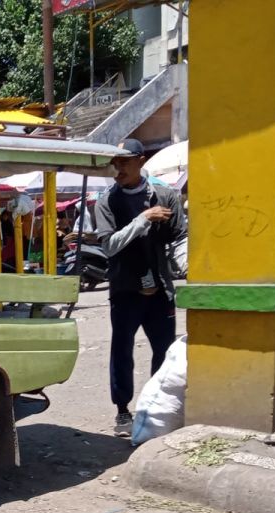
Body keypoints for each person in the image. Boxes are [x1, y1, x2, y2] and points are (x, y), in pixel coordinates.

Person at [95, 138, 188, 437]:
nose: (118, 167)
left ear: (141, 160)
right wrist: (143, 219)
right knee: (121, 351)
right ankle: (122, 410)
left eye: (125, 161)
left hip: (160, 289)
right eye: (115, 162)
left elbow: (179, 238)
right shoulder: (106, 201)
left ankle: (156, 407)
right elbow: (110, 245)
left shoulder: (165, 195)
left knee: (164, 351)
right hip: (125, 290)